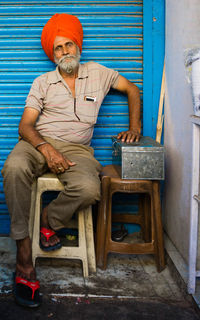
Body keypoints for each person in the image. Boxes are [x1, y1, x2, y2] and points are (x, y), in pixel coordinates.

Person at [1, 13, 141, 307]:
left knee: (91, 188)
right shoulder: (43, 81)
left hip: (78, 149)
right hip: (38, 143)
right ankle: (24, 259)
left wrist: (135, 128)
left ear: (78, 46)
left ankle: (47, 219)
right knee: (13, 167)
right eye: (58, 48)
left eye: (68, 45)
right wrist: (47, 149)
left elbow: (132, 90)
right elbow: (25, 126)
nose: (64, 51)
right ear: (52, 55)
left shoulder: (99, 73)